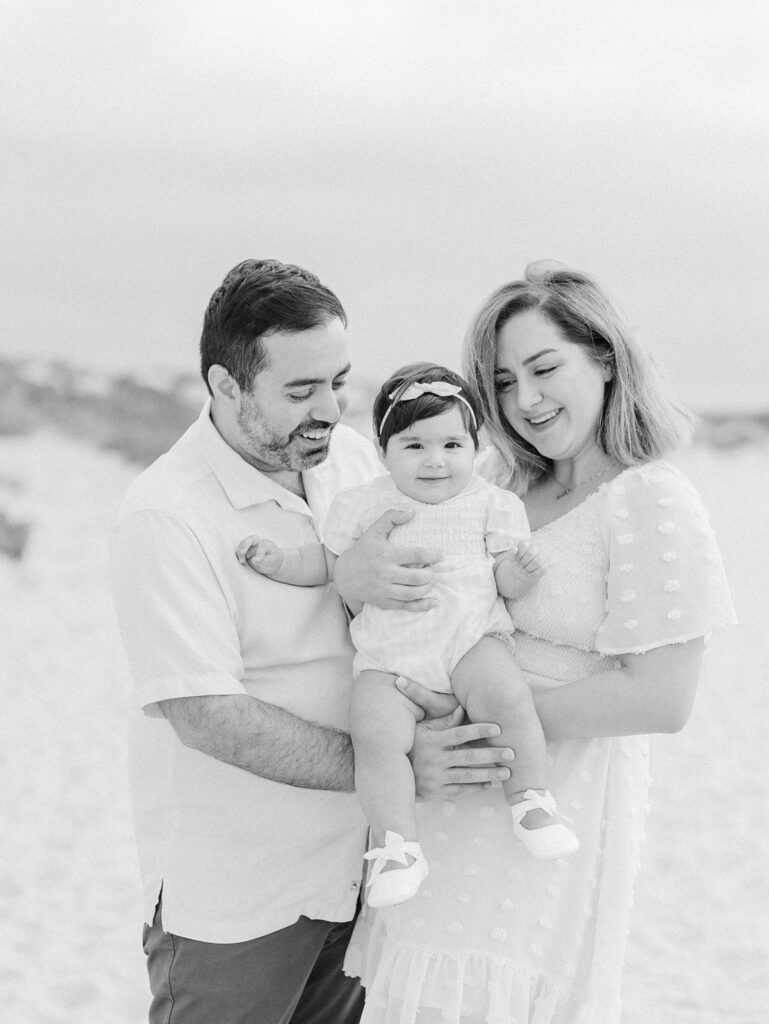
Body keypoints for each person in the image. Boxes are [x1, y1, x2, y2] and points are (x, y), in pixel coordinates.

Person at [109, 259, 517, 1024]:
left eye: (338, 381)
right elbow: (205, 715)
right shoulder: (164, 515)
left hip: (361, 874)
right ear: (225, 386)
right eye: (300, 391)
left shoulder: (356, 460)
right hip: (239, 898)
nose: (328, 408)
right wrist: (390, 763)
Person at [339, 263, 736, 1024]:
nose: (526, 399)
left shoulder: (647, 496)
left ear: (605, 357)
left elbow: (662, 697)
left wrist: (481, 722)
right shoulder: (496, 484)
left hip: (549, 808)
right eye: (502, 380)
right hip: (447, 807)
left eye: (545, 367)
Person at [237, 361, 579, 909]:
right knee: (375, 737)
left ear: (475, 446)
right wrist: (278, 560)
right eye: (414, 446)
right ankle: (397, 845)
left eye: (451, 445)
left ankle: (531, 799)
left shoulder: (492, 504)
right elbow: (327, 562)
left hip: (469, 641)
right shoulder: (365, 504)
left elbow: (503, 582)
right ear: (383, 450)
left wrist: (522, 573)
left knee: (508, 698)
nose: (435, 461)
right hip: (389, 661)